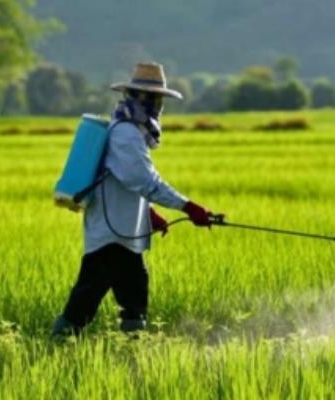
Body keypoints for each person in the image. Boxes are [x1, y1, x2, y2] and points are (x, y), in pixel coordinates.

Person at [52, 62, 214, 336]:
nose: (158, 105)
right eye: (155, 99)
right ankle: (58, 346)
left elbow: (126, 179)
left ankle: (132, 351)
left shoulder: (132, 130)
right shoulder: (126, 133)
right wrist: (190, 207)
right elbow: (144, 181)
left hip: (125, 232)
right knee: (85, 301)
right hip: (111, 232)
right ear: (143, 98)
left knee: (135, 299)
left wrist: (149, 214)